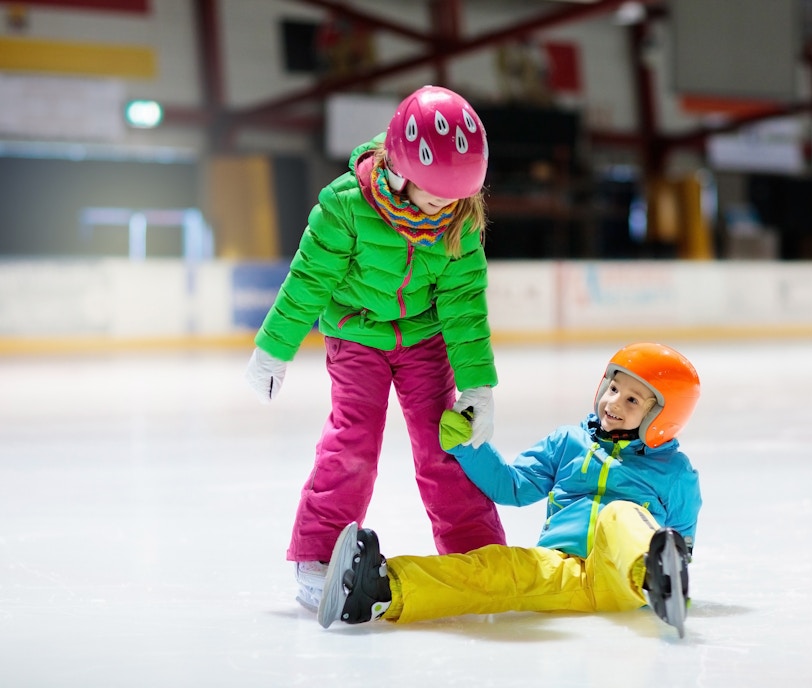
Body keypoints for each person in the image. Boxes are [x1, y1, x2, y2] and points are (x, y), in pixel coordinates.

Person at [244, 85, 507, 611]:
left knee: (445, 446)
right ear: (401, 168)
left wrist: (477, 383)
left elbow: (463, 305)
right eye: (435, 193)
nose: (445, 206)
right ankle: (318, 555)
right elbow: (308, 281)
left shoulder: (458, 220)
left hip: (424, 339)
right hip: (356, 335)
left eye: (456, 195)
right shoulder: (345, 206)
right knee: (353, 442)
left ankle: (475, 552)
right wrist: (274, 348)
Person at [316, 342, 703, 637]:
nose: (613, 402)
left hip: (624, 578)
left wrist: (668, 565)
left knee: (620, 516)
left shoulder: (675, 473)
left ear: (662, 417)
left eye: (633, 399)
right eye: (613, 387)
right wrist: (470, 448)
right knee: (496, 567)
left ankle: (657, 578)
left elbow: (681, 541)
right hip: (560, 569)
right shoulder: (568, 443)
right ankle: (381, 588)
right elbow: (513, 486)